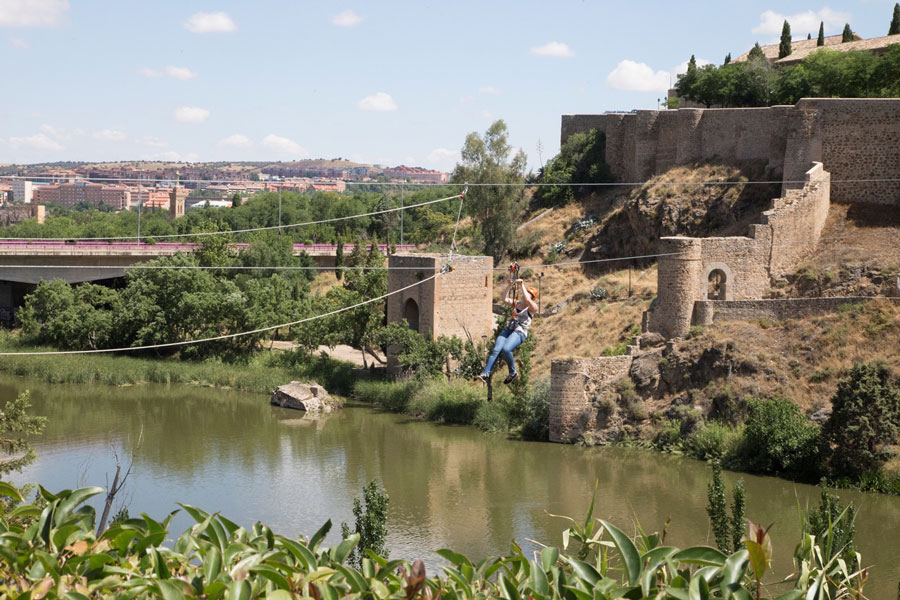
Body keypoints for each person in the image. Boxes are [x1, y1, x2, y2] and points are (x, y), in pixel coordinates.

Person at [477, 278, 539, 384]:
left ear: (532, 298)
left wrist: (522, 285)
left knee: (506, 349)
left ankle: (512, 372)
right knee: (496, 350)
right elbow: (504, 298)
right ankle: (486, 373)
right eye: (526, 294)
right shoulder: (517, 304)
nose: (526, 296)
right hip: (509, 329)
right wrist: (509, 285)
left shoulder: (533, 308)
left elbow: (528, 301)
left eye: (528, 294)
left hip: (519, 332)